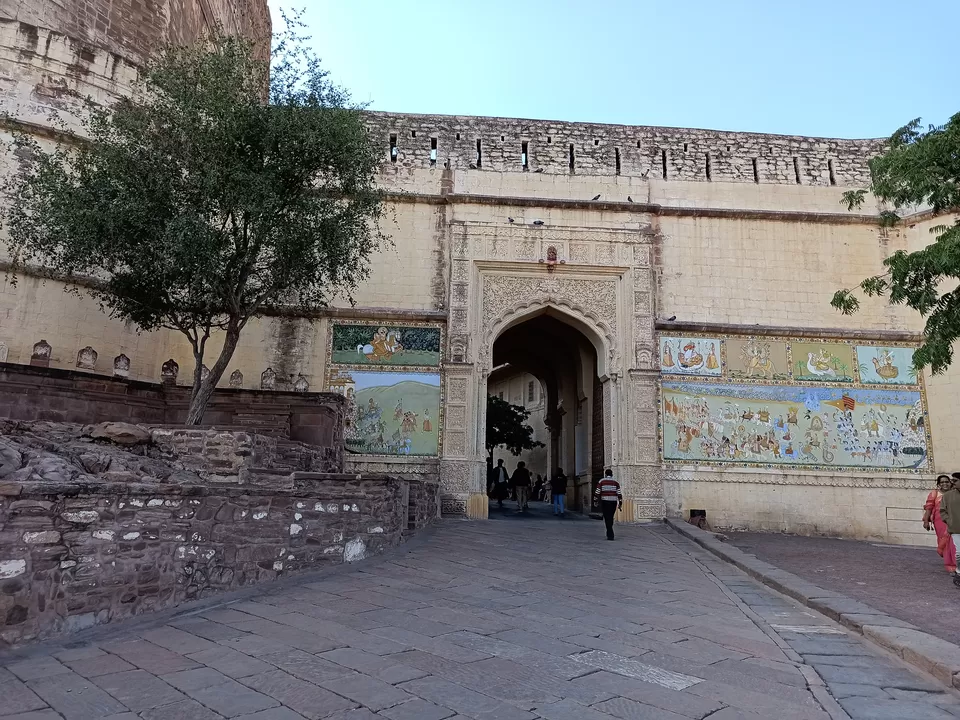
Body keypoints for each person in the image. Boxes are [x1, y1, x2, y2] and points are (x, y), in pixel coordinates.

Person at [924, 475, 957, 574]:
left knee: (954, 542)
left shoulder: (955, 493)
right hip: (940, 522)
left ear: (950, 482)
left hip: (954, 521)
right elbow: (929, 508)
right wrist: (926, 521)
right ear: (938, 484)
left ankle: (956, 564)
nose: (944, 484)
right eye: (942, 482)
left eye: (946, 482)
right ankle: (950, 565)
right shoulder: (934, 494)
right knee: (946, 543)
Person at [594, 469, 623, 540]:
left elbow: (597, 492)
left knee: (607, 517)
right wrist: (620, 503)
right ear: (612, 474)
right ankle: (610, 532)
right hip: (613, 502)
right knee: (611, 516)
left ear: (606, 474)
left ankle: (610, 533)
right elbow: (619, 493)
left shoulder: (601, 481)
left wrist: (595, 501)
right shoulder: (616, 482)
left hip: (605, 501)